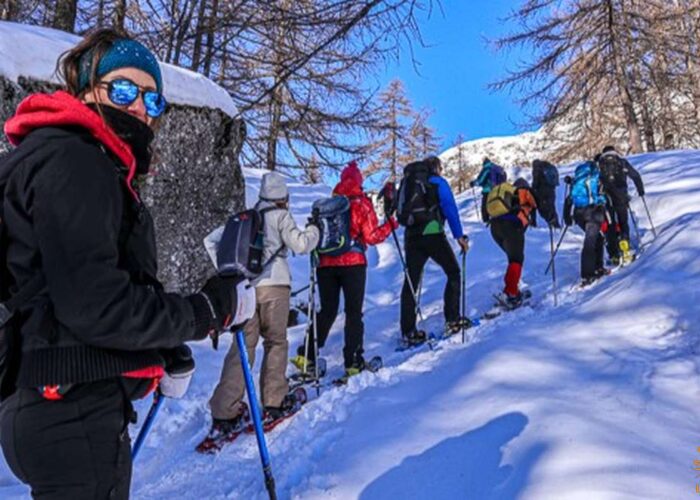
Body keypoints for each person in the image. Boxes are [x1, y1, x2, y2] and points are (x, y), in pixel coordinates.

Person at [0, 29, 253, 499]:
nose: (137, 107)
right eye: (122, 90)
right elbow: (97, 307)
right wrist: (204, 310)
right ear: (85, 91)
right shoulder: (77, 162)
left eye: (152, 100)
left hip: (48, 405)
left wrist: (158, 350)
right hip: (72, 412)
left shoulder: (58, 156)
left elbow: (64, 293)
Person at [206, 172, 319, 438]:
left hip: (246, 290)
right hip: (276, 287)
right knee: (276, 342)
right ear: (283, 196)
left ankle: (224, 411)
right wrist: (315, 231)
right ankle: (274, 402)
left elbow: (209, 241)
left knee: (243, 347)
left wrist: (227, 270)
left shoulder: (246, 218)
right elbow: (301, 245)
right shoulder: (280, 216)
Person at [294, 160, 397, 378]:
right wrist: (391, 225)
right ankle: (353, 362)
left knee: (328, 311)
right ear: (359, 181)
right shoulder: (360, 203)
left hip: (326, 265)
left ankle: (307, 355)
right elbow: (371, 236)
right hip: (353, 264)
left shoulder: (328, 205)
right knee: (353, 313)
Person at [400, 156, 470, 344]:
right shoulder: (438, 182)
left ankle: (408, 331)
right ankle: (452, 320)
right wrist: (459, 236)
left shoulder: (409, 183)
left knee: (411, 282)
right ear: (436, 168)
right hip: (432, 233)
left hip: (411, 237)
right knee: (453, 272)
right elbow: (450, 208)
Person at [489, 177, 537, 307]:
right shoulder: (524, 193)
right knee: (516, 259)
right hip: (511, 227)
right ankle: (511, 293)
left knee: (513, 259)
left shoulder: (507, 197)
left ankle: (511, 288)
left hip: (495, 227)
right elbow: (535, 206)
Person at [563, 161, 610, 286]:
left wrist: (567, 217)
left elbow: (569, 200)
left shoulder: (577, 182)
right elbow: (603, 195)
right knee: (590, 241)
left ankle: (598, 268)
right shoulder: (596, 178)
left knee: (598, 238)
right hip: (593, 212)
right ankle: (588, 275)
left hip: (579, 214)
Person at [596, 145, 645, 264]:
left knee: (610, 224)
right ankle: (625, 246)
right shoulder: (621, 162)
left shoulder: (599, 164)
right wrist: (640, 190)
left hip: (606, 198)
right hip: (621, 196)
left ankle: (614, 255)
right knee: (623, 222)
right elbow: (635, 175)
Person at [470, 157, 506, 222]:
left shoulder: (486, 169)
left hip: (488, 190)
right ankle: (496, 218)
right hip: (497, 190)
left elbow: (480, 181)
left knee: (485, 207)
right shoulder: (497, 168)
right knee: (494, 204)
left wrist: (473, 183)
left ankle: (485, 220)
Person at [531, 159, 561, 228]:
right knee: (551, 207)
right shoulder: (548, 167)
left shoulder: (537, 169)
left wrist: (533, 190)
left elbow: (535, 182)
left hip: (542, 191)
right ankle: (556, 225)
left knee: (543, 209)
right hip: (551, 190)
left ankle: (552, 224)